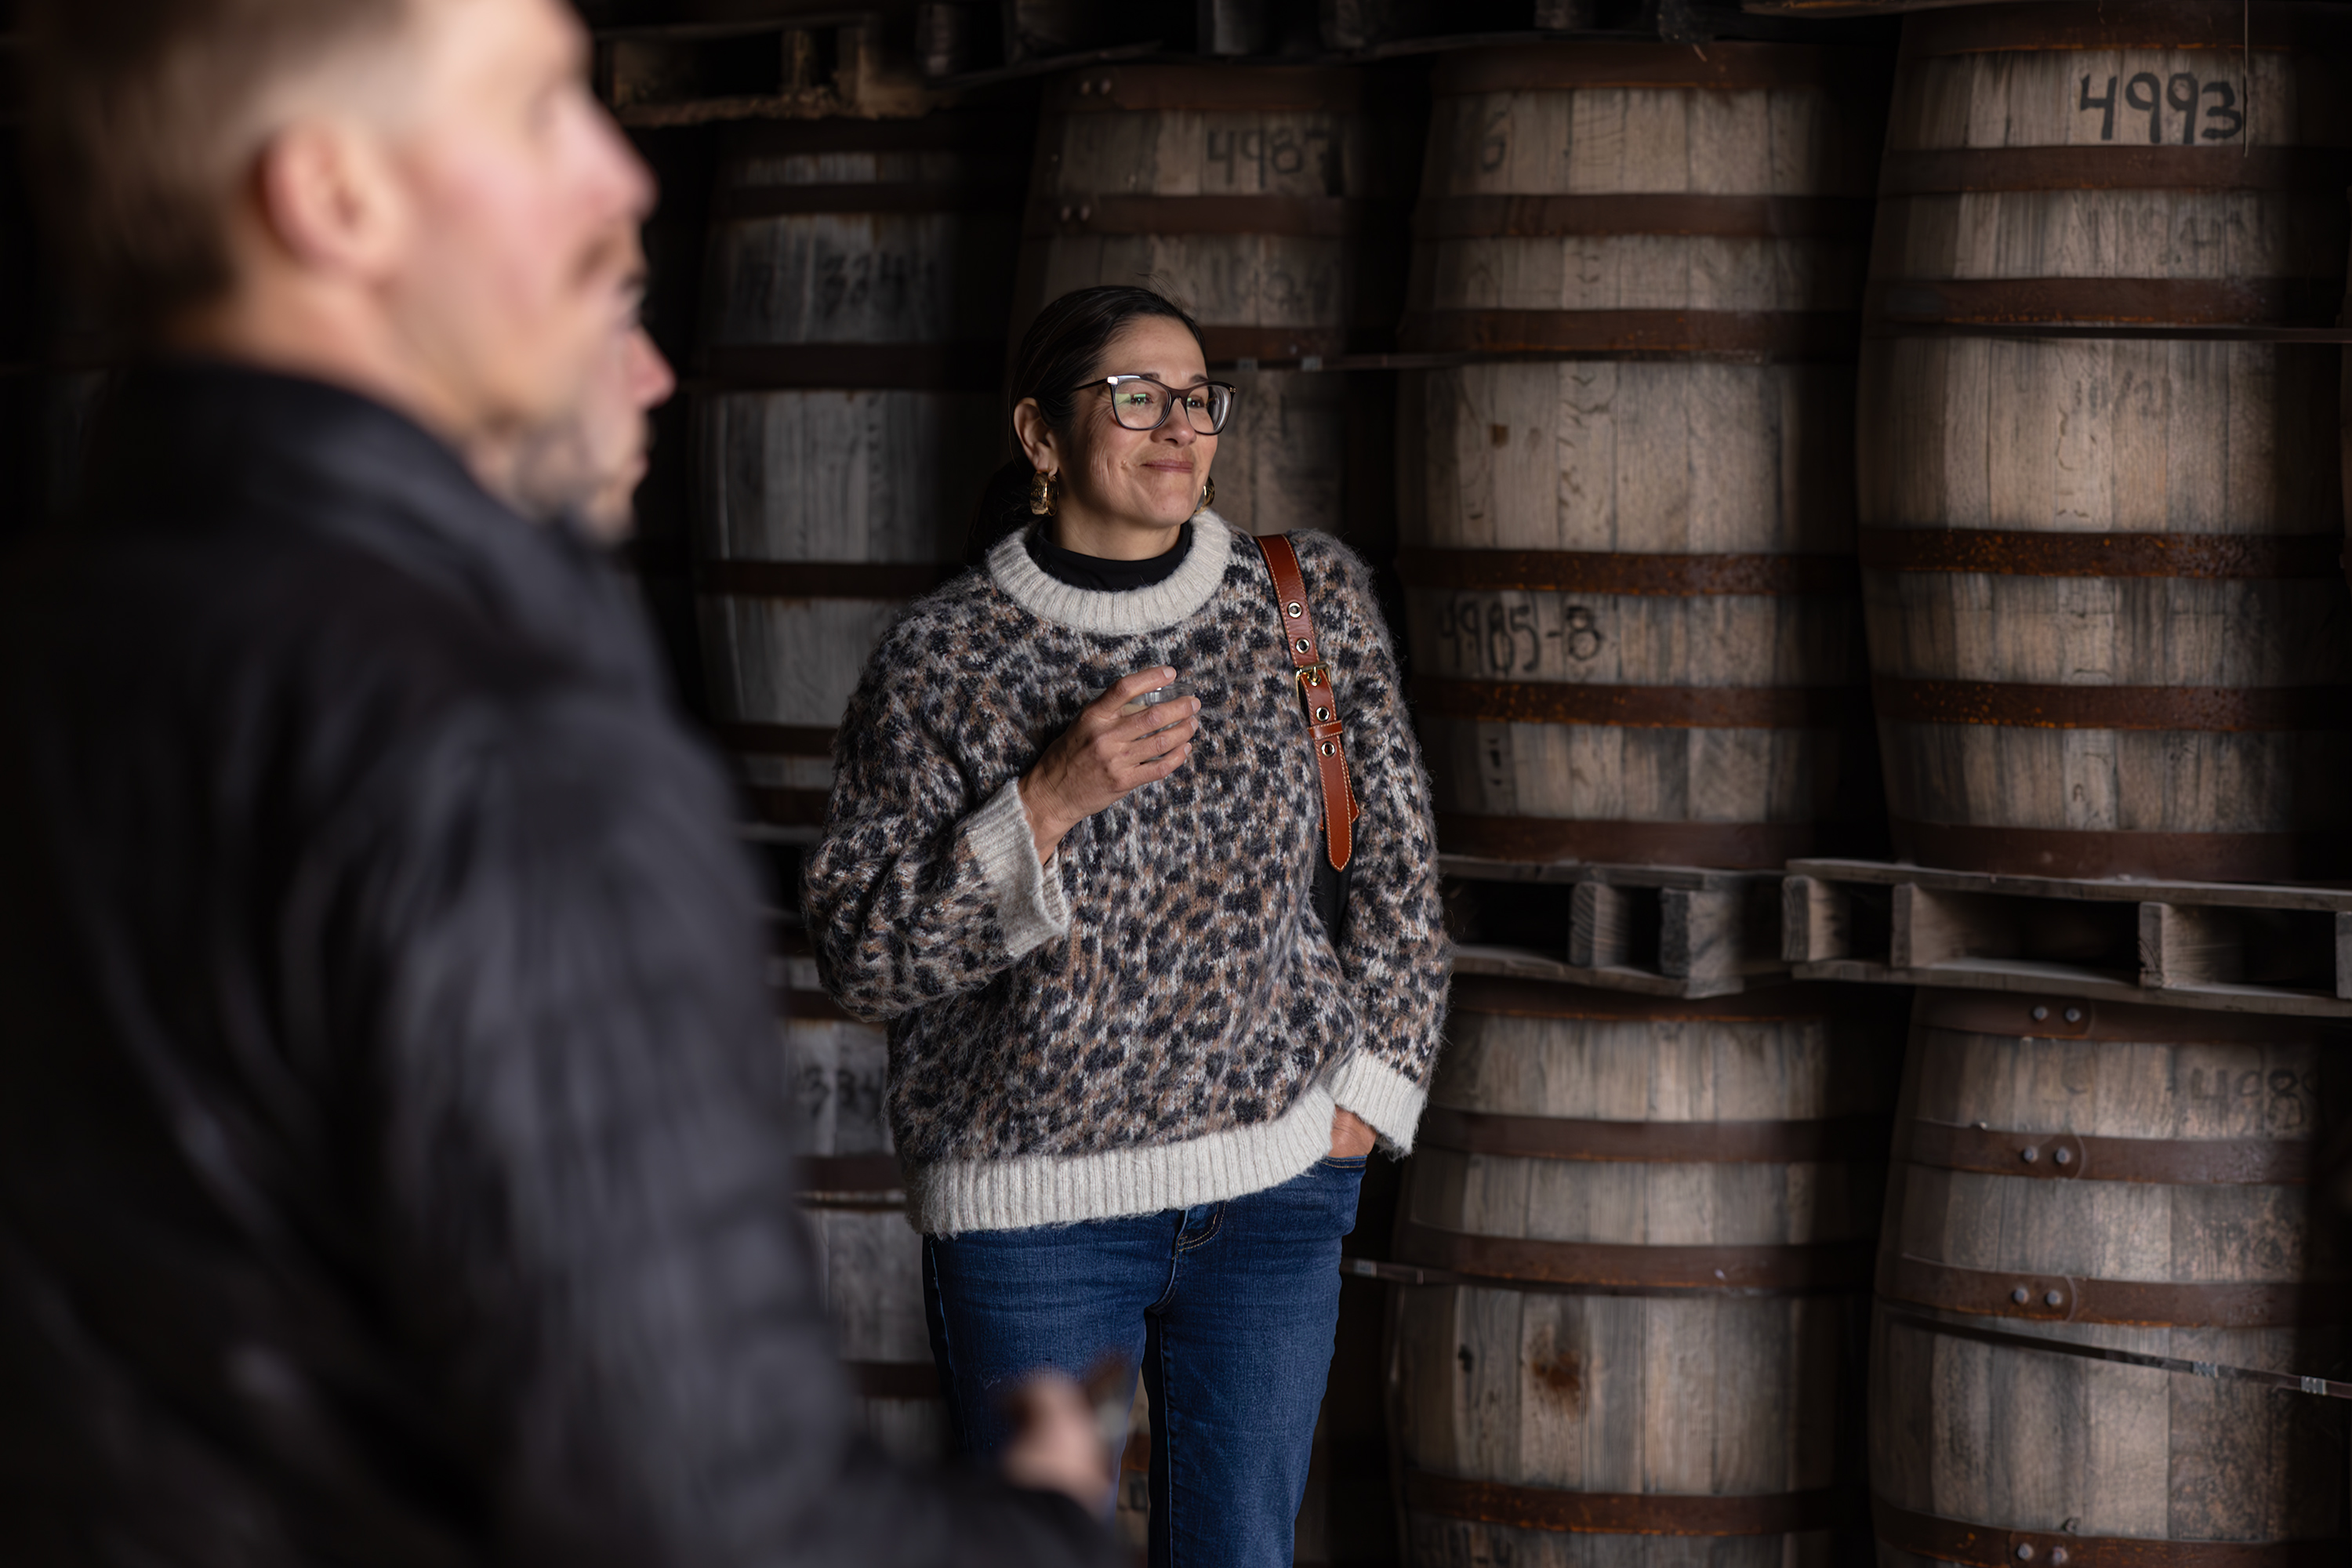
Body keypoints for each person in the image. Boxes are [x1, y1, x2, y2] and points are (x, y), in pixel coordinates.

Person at [0, 0, 1120, 1561]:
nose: (624, 174)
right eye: (537, 110)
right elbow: (710, 1529)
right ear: (332, 196)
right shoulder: (502, 754)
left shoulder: (61, 637)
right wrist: (1046, 1531)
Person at [803, 285, 1451, 1568]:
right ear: (1040, 436)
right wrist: (1046, 802)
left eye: (1199, 400)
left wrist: (1363, 1104)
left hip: (1274, 1196)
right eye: (1137, 398)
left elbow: (1400, 879)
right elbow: (862, 958)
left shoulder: (1304, 604)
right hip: (1035, 1221)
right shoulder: (939, 661)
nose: (1180, 429)